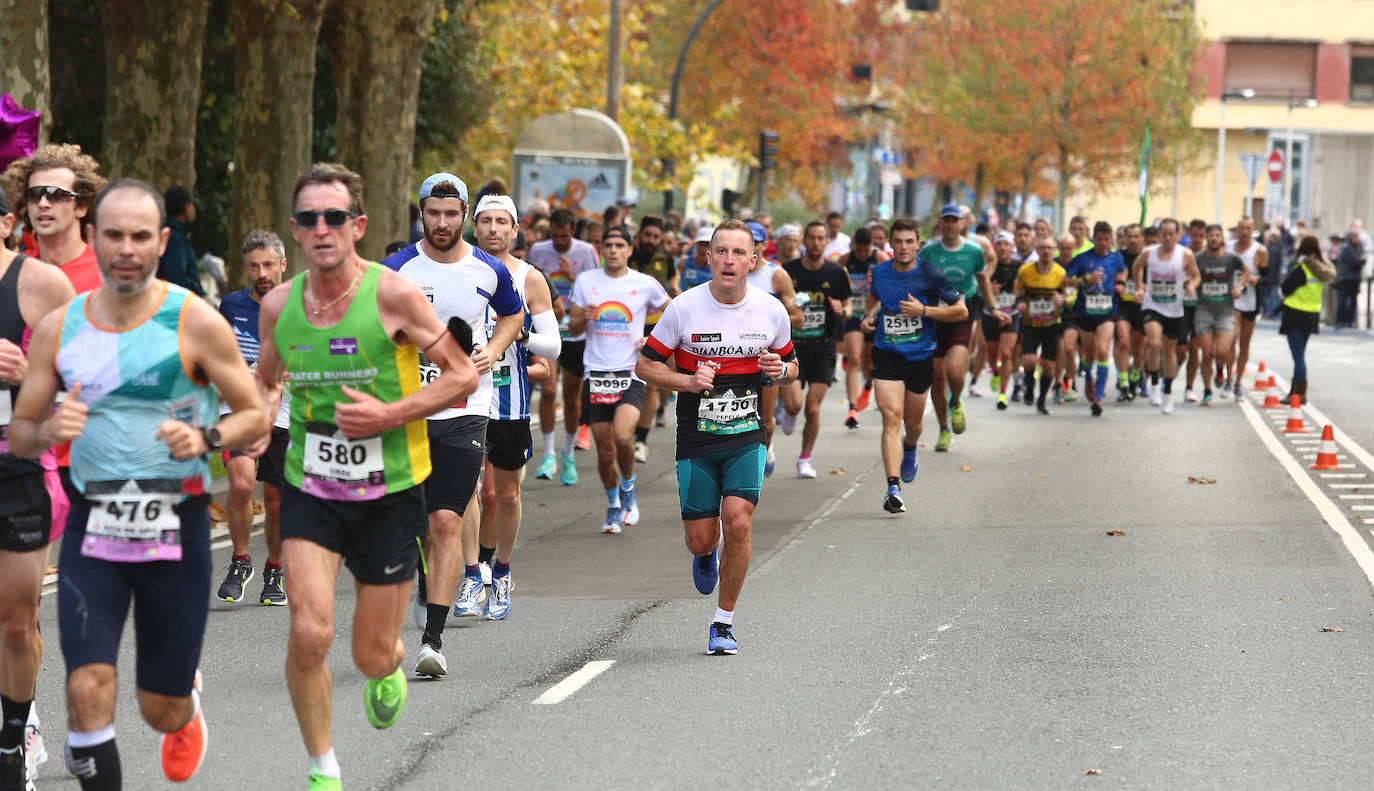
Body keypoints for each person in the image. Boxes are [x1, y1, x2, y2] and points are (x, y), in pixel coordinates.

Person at [9, 179, 270, 789]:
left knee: (160, 705)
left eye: (140, 236)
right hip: (92, 526)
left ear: (162, 242)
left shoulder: (195, 321)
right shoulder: (60, 328)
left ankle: (184, 706)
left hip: (173, 531)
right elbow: (19, 433)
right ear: (93, 238)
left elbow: (253, 413)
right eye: (115, 235)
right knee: (85, 687)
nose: (126, 248)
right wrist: (48, 428)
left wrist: (207, 438)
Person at [255, 163, 478, 789]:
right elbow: (265, 385)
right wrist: (240, 428)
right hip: (312, 485)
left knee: (370, 652)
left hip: (390, 491)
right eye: (308, 218)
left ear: (357, 226)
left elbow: (462, 376)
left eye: (334, 217)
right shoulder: (279, 305)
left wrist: (391, 412)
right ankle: (323, 766)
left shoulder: (393, 295)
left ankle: (389, 663)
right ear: (296, 231)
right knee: (308, 629)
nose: (321, 229)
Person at [382, 173, 523, 676]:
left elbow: (513, 315)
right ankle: (428, 584)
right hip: (409, 411)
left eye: (451, 213)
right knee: (414, 523)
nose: (442, 223)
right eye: (432, 213)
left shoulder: (487, 269)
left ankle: (432, 641)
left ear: (464, 213)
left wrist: (495, 347)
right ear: (420, 212)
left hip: (467, 409)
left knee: (446, 519)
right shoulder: (396, 268)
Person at [637, 219, 796, 655]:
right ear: (707, 257)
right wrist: (686, 382)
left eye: (737, 253)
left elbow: (791, 367)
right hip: (697, 438)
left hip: (747, 435)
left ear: (753, 260)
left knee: (739, 521)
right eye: (720, 251)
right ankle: (707, 555)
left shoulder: (771, 310)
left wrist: (779, 372)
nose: (729, 260)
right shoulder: (683, 308)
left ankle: (723, 623)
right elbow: (645, 366)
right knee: (701, 539)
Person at [0, 188, 76, 790]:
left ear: (7, 222)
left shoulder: (42, 286)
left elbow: (89, 378)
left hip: (21, 469)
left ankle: (15, 733)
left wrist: (30, 377)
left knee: (16, 623)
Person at [473, 194, 560, 620]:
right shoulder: (457, 272)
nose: (493, 229)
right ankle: (473, 574)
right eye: (485, 221)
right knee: (469, 492)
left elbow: (554, 346)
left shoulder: (530, 278)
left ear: (514, 230)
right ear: (474, 227)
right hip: (460, 399)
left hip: (509, 404)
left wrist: (520, 336)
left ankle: (501, 570)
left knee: (503, 494)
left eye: (501, 222)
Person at [859, 219, 965, 512]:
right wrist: (868, 316)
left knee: (913, 424)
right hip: (887, 354)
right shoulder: (879, 273)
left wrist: (925, 311)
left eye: (909, 242)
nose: (903, 247)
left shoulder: (930, 273)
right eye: (898, 241)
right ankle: (893, 488)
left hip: (920, 357)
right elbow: (874, 297)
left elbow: (961, 310)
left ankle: (910, 447)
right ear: (890, 244)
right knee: (891, 417)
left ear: (918, 245)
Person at [569, 227, 670, 533]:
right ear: (602, 250)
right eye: (608, 245)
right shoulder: (586, 281)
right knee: (604, 449)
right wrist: (581, 318)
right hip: (596, 373)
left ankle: (628, 488)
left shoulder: (644, 283)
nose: (612, 250)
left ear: (629, 250)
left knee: (623, 437)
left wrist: (652, 340)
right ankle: (613, 504)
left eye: (619, 245)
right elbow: (573, 330)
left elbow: (672, 312)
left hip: (630, 371)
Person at [214, 230, 291, 605]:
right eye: (254, 266)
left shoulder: (302, 306)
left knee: (276, 500)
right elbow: (215, 351)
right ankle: (240, 560)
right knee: (243, 484)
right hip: (239, 407)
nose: (262, 272)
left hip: (286, 412)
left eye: (268, 265)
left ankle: (274, 568)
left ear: (283, 265)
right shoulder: (231, 306)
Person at [527, 210, 600, 485]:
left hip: (576, 330)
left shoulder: (586, 252)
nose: (559, 241)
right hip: (548, 326)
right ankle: (548, 454)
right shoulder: (538, 250)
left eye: (565, 236)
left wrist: (572, 278)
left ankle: (567, 453)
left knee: (571, 398)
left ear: (573, 231)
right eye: (555, 236)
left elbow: (594, 289)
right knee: (547, 389)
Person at [920, 204, 994, 452]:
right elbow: (917, 279)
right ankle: (943, 429)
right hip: (934, 316)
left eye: (955, 220)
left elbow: (983, 280)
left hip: (964, 312)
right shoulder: (929, 251)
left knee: (954, 371)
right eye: (946, 220)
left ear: (963, 224)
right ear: (940, 224)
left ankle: (956, 402)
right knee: (937, 379)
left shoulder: (974, 251)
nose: (950, 225)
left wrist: (993, 309)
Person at [781, 222, 851, 478]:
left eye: (820, 238)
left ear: (825, 242)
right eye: (811, 238)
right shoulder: (787, 271)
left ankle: (804, 459)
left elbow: (848, 307)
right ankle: (788, 413)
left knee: (812, 408)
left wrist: (843, 312)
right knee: (794, 406)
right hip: (793, 348)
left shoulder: (836, 272)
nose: (815, 242)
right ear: (804, 241)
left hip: (824, 347)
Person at [1133, 218, 1201, 414]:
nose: (1168, 237)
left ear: (1178, 235)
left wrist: (1191, 286)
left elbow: (1196, 275)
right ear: (1159, 235)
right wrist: (1139, 287)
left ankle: (1168, 393)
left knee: (1169, 352)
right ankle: (1154, 383)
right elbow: (1137, 267)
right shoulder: (1149, 253)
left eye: (1172, 233)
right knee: (1154, 344)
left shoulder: (1185, 255)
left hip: (1175, 309)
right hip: (1152, 305)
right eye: (1164, 233)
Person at [1064, 222, 1127, 416]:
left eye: (1107, 239)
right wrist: (1084, 281)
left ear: (1111, 240)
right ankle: (1089, 375)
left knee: (1102, 350)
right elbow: (1065, 280)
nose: (1103, 243)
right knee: (1089, 355)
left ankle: (1098, 398)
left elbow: (1123, 270)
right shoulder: (1083, 258)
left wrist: (1120, 283)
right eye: (1099, 239)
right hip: (1085, 312)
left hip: (1107, 311)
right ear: (1094, 238)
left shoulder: (1116, 257)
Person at [629, 215, 678, 462]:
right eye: (647, 236)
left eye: (655, 237)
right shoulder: (629, 256)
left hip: (655, 331)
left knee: (650, 384)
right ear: (639, 235)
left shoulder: (665, 259)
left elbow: (671, 282)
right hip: (626, 330)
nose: (651, 241)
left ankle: (641, 440)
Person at [837, 226, 889, 428]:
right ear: (854, 246)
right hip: (853, 314)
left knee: (870, 363)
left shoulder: (881, 258)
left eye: (865, 251)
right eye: (858, 250)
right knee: (855, 358)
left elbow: (890, 287)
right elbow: (836, 284)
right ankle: (852, 408)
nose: (861, 254)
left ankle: (868, 386)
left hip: (875, 313)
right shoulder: (845, 260)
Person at [1192, 224, 1245, 406]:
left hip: (1225, 311)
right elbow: (1190, 273)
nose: (1214, 238)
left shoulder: (1231, 259)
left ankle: (1220, 368)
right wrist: (1190, 283)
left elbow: (1245, 270)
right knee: (1206, 354)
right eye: (1211, 235)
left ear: (1222, 238)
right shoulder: (1199, 259)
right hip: (1204, 310)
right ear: (1207, 238)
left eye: (1217, 235)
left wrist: (1240, 286)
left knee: (1222, 351)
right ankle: (1207, 391)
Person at [1280, 234, 1337, 400]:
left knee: (1298, 356)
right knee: (1300, 354)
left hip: (1295, 313)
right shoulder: (1321, 270)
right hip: (1312, 314)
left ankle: (1298, 393)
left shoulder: (1302, 268)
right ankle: (1296, 392)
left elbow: (1285, 288)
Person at [1016, 237, 1068, 414]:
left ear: (1055, 250)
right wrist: (1020, 301)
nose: (1046, 251)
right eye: (1042, 247)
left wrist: (1063, 299)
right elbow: (1017, 291)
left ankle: (1041, 400)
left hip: (1052, 324)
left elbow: (1070, 295)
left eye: (1049, 248)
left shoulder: (1061, 273)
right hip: (1031, 322)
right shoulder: (1025, 271)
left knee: (1048, 366)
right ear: (1037, 250)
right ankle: (1029, 384)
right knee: (1029, 361)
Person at [1227, 216, 1267, 398]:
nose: (1244, 232)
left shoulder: (1259, 250)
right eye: (1241, 228)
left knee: (1244, 344)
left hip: (1250, 301)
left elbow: (1269, 277)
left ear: (1253, 230)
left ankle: (1237, 382)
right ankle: (1228, 377)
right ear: (1237, 229)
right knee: (1231, 339)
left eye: (1248, 228)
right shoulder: (1228, 248)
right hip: (1231, 300)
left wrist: (1257, 279)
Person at [982, 231, 1019, 410]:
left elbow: (1026, 290)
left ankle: (1003, 392)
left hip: (1011, 314)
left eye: (1007, 244)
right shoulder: (988, 266)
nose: (1003, 247)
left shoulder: (1021, 267)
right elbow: (977, 288)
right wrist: (988, 289)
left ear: (1013, 247)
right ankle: (995, 370)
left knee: (1006, 353)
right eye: (1000, 244)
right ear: (995, 247)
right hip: (990, 314)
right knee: (992, 354)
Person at [1114, 223, 1147, 400]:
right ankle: (1124, 382)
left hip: (1142, 306)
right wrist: (1117, 284)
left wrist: (1144, 288)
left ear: (1142, 238)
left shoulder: (1148, 257)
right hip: (1123, 306)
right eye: (1130, 236)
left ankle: (1136, 371)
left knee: (1138, 347)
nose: (1133, 240)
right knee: (1123, 342)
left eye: (1136, 236)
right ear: (1124, 238)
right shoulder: (1118, 257)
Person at [156, 186, 204, 296]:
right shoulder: (176, 238)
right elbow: (177, 278)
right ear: (187, 208)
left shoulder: (166, 232)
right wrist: (198, 289)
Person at [1334, 230, 1365, 329]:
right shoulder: (1346, 248)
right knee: (1342, 300)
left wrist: (1361, 260)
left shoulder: (1359, 246)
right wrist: (1360, 260)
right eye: (1356, 237)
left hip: (1355, 279)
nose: (1358, 239)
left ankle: (1351, 321)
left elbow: (1361, 259)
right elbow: (1354, 262)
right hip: (1346, 278)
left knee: (1353, 301)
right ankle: (1340, 321)